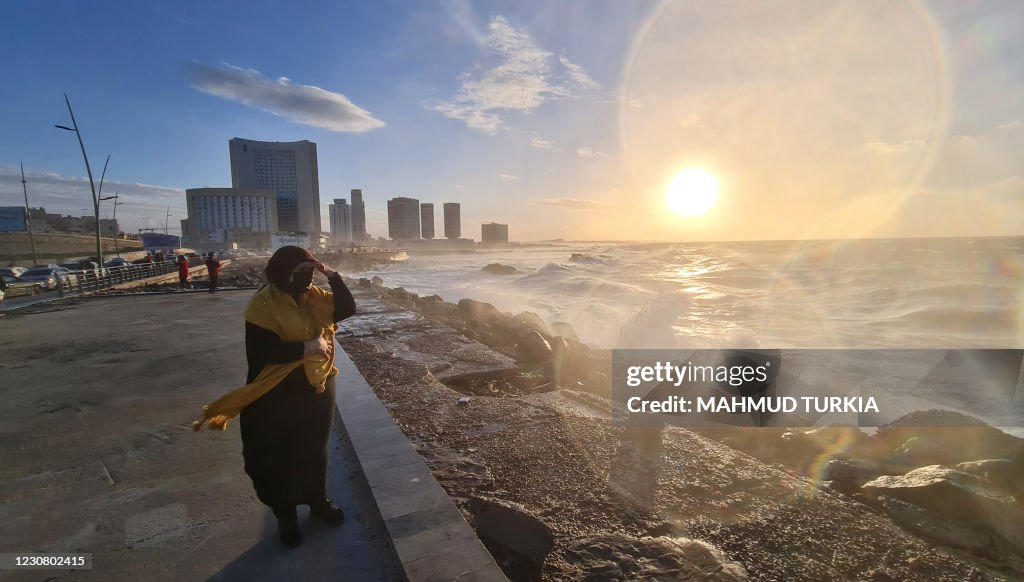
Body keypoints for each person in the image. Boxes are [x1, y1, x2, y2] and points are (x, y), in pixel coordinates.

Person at [192, 246, 356, 547]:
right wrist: (308, 347)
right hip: (278, 391)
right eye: (301, 273)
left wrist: (332, 275)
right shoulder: (263, 305)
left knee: (314, 449)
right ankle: (286, 515)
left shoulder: (315, 297)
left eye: (310, 273)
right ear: (283, 272)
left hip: (318, 386)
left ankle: (318, 503)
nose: (307, 280)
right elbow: (260, 353)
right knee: (279, 454)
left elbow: (347, 309)